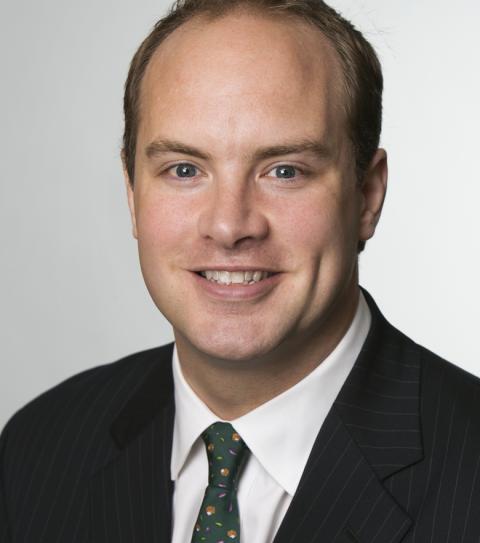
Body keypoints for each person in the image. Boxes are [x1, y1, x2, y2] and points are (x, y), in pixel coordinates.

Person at [1, 0, 479, 541]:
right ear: (133, 195)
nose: (229, 226)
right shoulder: (39, 450)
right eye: (184, 169)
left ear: (366, 196)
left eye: (285, 171)